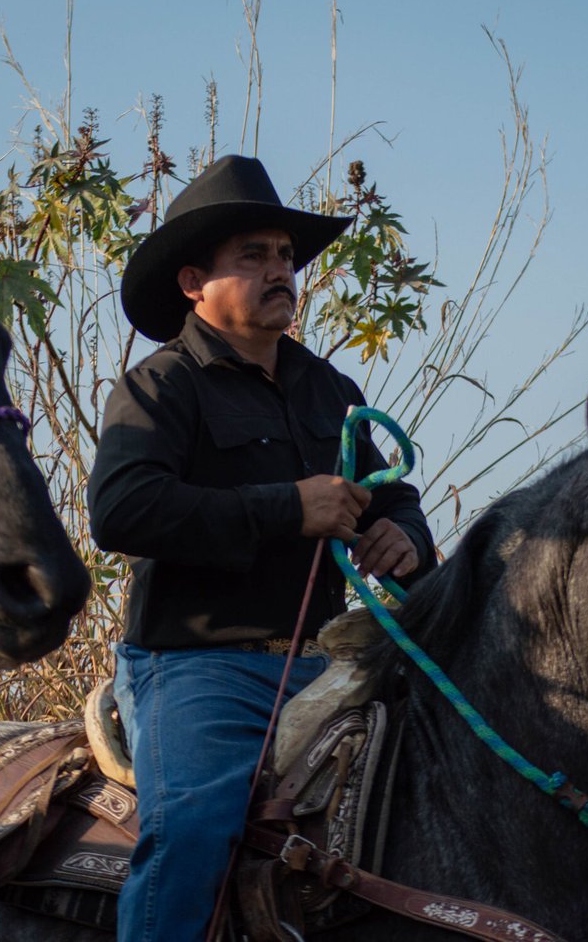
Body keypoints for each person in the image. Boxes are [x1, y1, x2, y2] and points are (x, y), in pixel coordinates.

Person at [88, 154, 436, 940]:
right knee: (193, 832)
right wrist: (288, 510)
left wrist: (402, 537)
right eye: (255, 256)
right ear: (192, 284)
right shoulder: (159, 387)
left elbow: (399, 498)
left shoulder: (332, 391)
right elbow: (119, 511)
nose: (281, 270)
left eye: (285, 255)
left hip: (336, 662)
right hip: (198, 665)